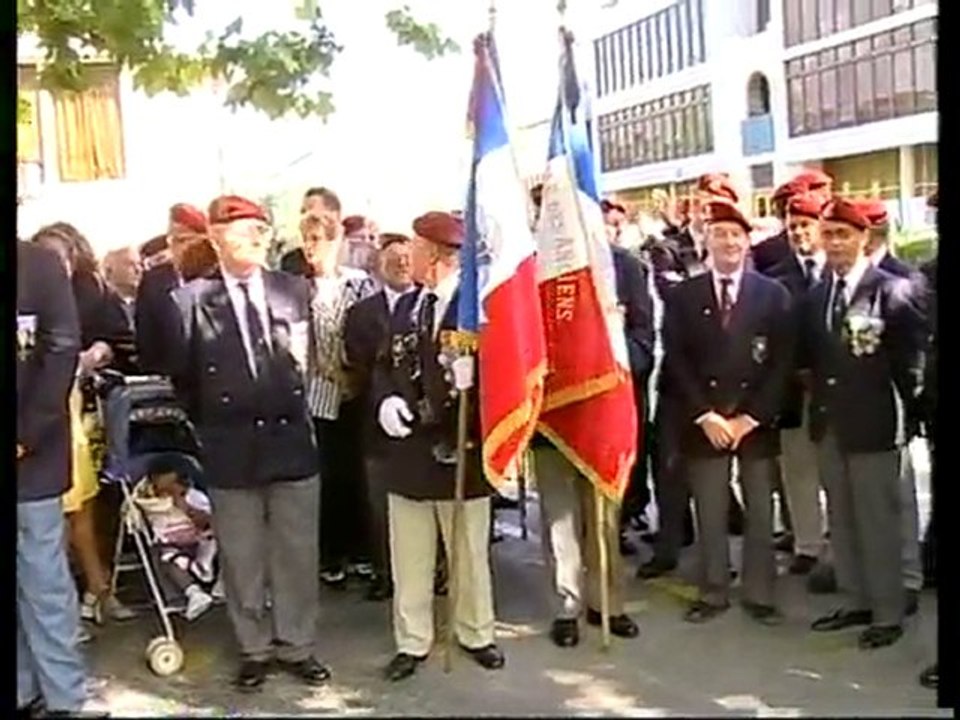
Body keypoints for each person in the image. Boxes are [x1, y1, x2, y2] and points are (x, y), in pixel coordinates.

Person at [163, 195, 328, 692]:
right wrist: (213, 428)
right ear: (215, 237)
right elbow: (185, 380)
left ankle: (297, 645)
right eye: (242, 231)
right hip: (231, 447)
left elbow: (309, 358)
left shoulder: (293, 289)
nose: (255, 239)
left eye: (261, 229)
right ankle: (254, 648)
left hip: (291, 441)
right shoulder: (190, 300)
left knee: (297, 551)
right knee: (242, 556)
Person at [373, 211, 504, 682]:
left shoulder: (477, 310)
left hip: (458, 450)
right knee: (409, 557)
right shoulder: (409, 307)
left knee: (468, 553)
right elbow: (385, 365)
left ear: (441, 256)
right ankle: (413, 640)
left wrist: (478, 382)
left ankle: (476, 632)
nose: (409, 256)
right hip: (408, 452)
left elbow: (506, 379)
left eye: (418, 249)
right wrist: (385, 398)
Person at [661, 200, 793, 625]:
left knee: (759, 509)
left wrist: (749, 418)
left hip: (754, 422)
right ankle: (713, 591)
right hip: (706, 422)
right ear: (706, 240)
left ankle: (760, 594)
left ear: (747, 240)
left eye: (736, 234)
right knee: (711, 510)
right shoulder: (684, 295)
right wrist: (706, 415)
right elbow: (676, 359)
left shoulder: (773, 295)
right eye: (719, 233)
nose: (729, 242)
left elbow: (781, 363)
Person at [805, 198, 924, 650]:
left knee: (878, 522)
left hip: (876, 427)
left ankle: (888, 612)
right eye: (829, 234)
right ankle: (856, 600)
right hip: (830, 424)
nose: (835, 243)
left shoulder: (891, 290)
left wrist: (904, 418)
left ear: (863, 239)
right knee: (844, 518)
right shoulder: (818, 294)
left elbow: (910, 365)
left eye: (844, 235)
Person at [534, 239, 653, 648]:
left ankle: (607, 602)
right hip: (552, 415)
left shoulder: (624, 266)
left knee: (603, 516)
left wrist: (614, 352)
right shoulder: (534, 265)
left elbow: (645, 343)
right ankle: (567, 604)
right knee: (558, 517)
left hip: (604, 412)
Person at [31, 225, 138, 631]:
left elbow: (116, 339)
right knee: (51, 516)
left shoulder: (89, 294)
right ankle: (67, 605)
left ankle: (97, 589)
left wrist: (97, 352)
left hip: (76, 412)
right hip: (38, 414)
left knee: (82, 505)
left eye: (61, 257)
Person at [17, 240, 103, 718]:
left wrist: (25, 434)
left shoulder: (41, 266)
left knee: (43, 578)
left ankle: (64, 697)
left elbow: (60, 350)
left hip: (32, 455)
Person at [298, 194, 378, 586]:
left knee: (357, 473)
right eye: (308, 240)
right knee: (327, 475)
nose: (313, 248)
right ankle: (331, 554)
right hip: (317, 393)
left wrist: (355, 372)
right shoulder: (297, 288)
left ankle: (363, 549)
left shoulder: (359, 283)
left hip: (356, 392)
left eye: (320, 239)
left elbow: (370, 334)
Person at [344, 233, 420, 602]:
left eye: (408, 258)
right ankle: (385, 573)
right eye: (393, 260)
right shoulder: (361, 313)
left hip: (422, 425)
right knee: (379, 505)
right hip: (373, 423)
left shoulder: (429, 303)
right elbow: (357, 365)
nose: (402, 265)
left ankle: (432, 572)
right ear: (378, 267)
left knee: (421, 505)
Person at [767, 193, 828, 575]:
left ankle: (840, 539)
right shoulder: (774, 279)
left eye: (806, 225)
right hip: (793, 392)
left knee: (835, 471)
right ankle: (807, 543)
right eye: (793, 227)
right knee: (798, 471)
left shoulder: (840, 270)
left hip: (836, 390)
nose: (800, 233)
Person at [136, 203, 208, 374]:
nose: (175, 248)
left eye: (183, 240)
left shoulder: (221, 278)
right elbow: (147, 343)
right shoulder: (155, 281)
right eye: (171, 240)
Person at [136, 471, 219, 621]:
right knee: (167, 559)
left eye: (171, 490)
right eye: (161, 491)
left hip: (200, 541)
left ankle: (216, 585)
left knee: (217, 545)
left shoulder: (195, 498)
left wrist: (186, 508)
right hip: (172, 544)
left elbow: (209, 521)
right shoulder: (154, 504)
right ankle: (192, 593)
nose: (166, 495)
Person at [752, 170, 832, 275]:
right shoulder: (767, 255)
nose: (798, 232)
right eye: (793, 227)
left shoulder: (839, 261)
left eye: (805, 225)